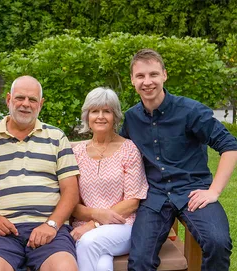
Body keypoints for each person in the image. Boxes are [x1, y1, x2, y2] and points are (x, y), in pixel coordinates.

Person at [120, 48, 237, 271]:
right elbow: (120, 155)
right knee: (140, 260)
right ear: (132, 80)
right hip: (153, 197)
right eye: (140, 76)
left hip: (193, 191)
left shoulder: (190, 111)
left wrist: (214, 191)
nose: (147, 82)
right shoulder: (131, 119)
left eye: (153, 74)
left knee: (218, 242)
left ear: (164, 75)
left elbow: (230, 146)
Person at [0, 75, 80, 271]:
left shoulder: (56, 137)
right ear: (9, 100)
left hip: (49, 230)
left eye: (32, 99)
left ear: (40, 104)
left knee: (64, 268)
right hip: (1, 232)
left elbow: (71, 191)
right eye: (20, 98)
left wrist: (51, 225)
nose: (26, 104)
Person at [69, 87, 148, 271]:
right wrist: (92, 218)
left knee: (88, 242)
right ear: (87, 116)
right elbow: (73, 204)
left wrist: (94, 223)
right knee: (102, 264)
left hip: (123, 226)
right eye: (95, 111)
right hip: (83, 227)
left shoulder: (129, 149)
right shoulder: (77, 153)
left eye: (107, 111)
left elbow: (132, 202)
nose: (100, 116)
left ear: (115, 117)